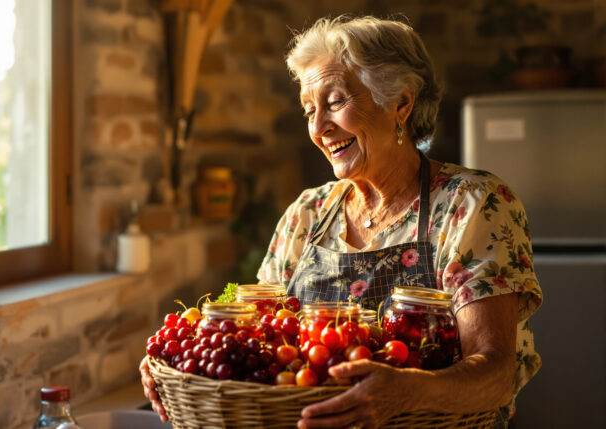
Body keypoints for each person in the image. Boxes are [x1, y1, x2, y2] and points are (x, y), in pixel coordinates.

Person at [141, 15, 542, 429]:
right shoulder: (306, 213)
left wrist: (406, 391)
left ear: (400, 104)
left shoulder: (471, 203)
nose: (318, 128)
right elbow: (252, 342)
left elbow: (495, 375)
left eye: (334, 103)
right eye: (309, 110)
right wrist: (176, 359)